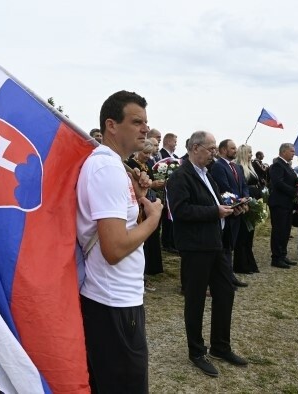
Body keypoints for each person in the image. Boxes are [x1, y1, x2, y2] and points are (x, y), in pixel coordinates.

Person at [76, 90, 162, 393]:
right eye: (137, 121)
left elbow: (119, 230)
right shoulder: (107, 167)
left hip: (114, 296)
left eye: (146, 123)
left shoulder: (114, 166)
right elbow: (114, 249)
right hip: (112, 299)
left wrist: (139, 202)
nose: (145, 129)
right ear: (111, 125)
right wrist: (153, 220)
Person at [167, 130, 247, 378]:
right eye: (210, 148)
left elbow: (213, 205)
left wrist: (232, 209)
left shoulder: (207, 175)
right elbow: (181, 211)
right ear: (194, 148)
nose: (214, 152)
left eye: (215, 148)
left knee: (225, 293)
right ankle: (197, 351)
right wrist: (215, 212)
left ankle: (221, 346)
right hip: (195, 248)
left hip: (215, 244)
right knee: (196, 300)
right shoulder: (180, 176)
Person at [125, 139, 164, 289]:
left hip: (149, 203)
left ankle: (146, 272)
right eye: (145, 152)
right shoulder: (131, 165)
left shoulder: (147, 165)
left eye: (149, 153)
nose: (148, 156)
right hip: (139, 206)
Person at [210, 139, 249, 287]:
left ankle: (229, 275)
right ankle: (225, 278)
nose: (235, 151)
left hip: (238, 209)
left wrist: (245, 198)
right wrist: (238, 201)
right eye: (232, 148)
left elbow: (243, 185)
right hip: (228, 209)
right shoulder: (218, 166)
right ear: (223, 150)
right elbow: (224, 187)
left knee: (231, 245)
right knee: (224, 246)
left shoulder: (237, 167)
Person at [268, 143, 298, 269]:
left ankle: (283, 255)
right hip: (279, 203)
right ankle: (276, 257)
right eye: (291, 151)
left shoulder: (287, 166)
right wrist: (294, 191)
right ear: (284, 151)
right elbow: (278, 182)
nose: (293, 154)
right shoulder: (277, 165)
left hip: (287, 203)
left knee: (286, 231)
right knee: (279, 231)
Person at [233, 144, 261, 274]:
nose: (251, 155)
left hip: (253, 203)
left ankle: (249, 263)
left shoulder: (251, 167)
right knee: (243, 235)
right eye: (249, 153)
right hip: (245, 204)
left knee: (249, 235)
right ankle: (241, 265)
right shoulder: (239, 167)